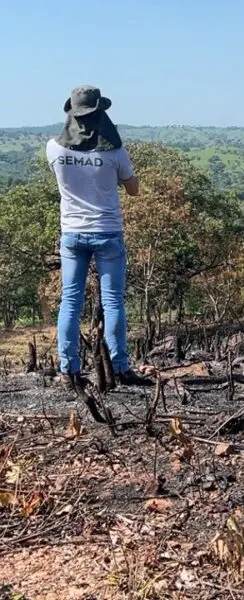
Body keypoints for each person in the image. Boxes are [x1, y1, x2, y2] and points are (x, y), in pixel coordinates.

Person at [47, 85, 146, 389]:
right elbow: (133, 189)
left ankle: (68, 369)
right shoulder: (115, 151)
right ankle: (118, 367)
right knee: (114, 301)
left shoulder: (55, 149)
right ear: (101, 113)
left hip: (72, 234)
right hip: (107, 232)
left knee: (70, 302)